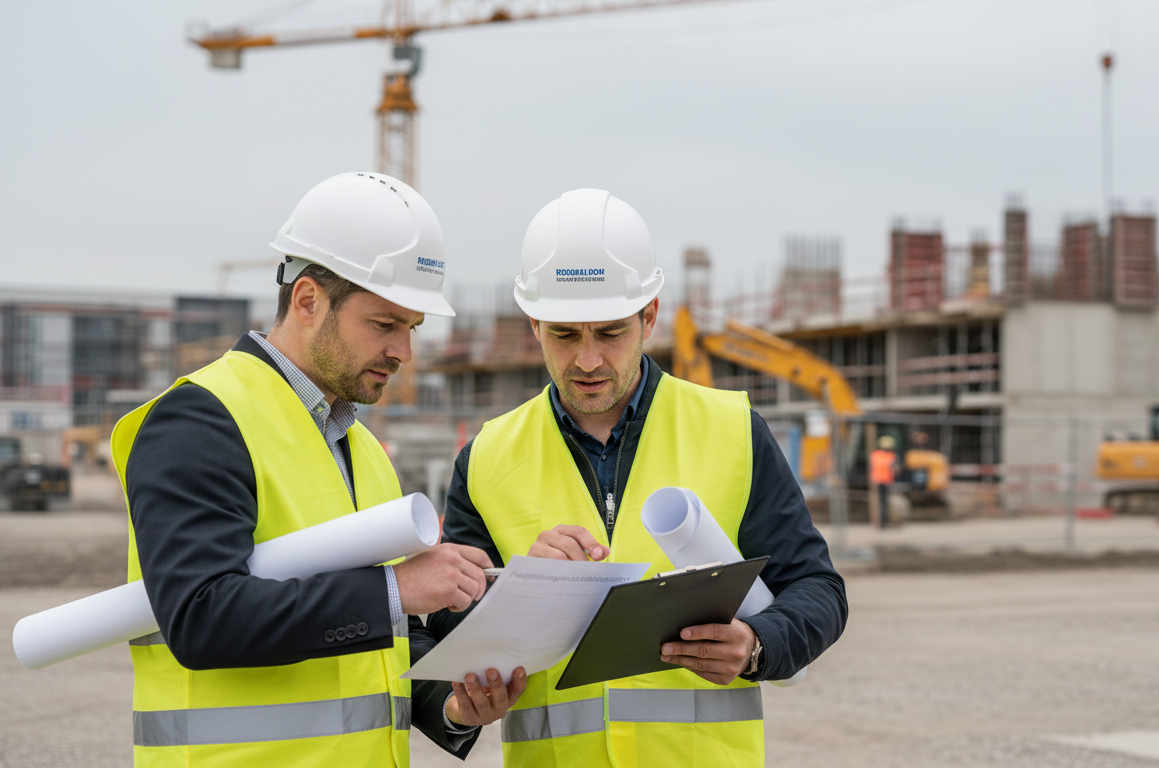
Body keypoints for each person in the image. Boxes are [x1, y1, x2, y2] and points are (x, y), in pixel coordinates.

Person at [419, 189, 848, 767]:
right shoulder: (489, 456)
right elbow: (450, 620)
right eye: (566, 335)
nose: (589, 361)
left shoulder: (733, 431)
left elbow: (819, 590)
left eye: (610, 332)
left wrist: (757, 646)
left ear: (648, 316)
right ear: (535, 326)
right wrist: (522, 587)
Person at [111, 172, 524, 767]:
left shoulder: (361, 449)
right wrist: (396, 588)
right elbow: (200, 616)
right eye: (384, 324)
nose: (404, 353)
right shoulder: (200, 420)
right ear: (307, 301)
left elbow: (372, 647)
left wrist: (453, 706)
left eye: (412, 329)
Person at [869, 434, 901, 528]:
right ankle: (884, 523)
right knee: (884, 503)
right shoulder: (891, 456)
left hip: (877, 481)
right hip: (886, 481)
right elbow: (896, 469)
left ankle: (881, 523)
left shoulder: (875, 454)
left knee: (880, 503)